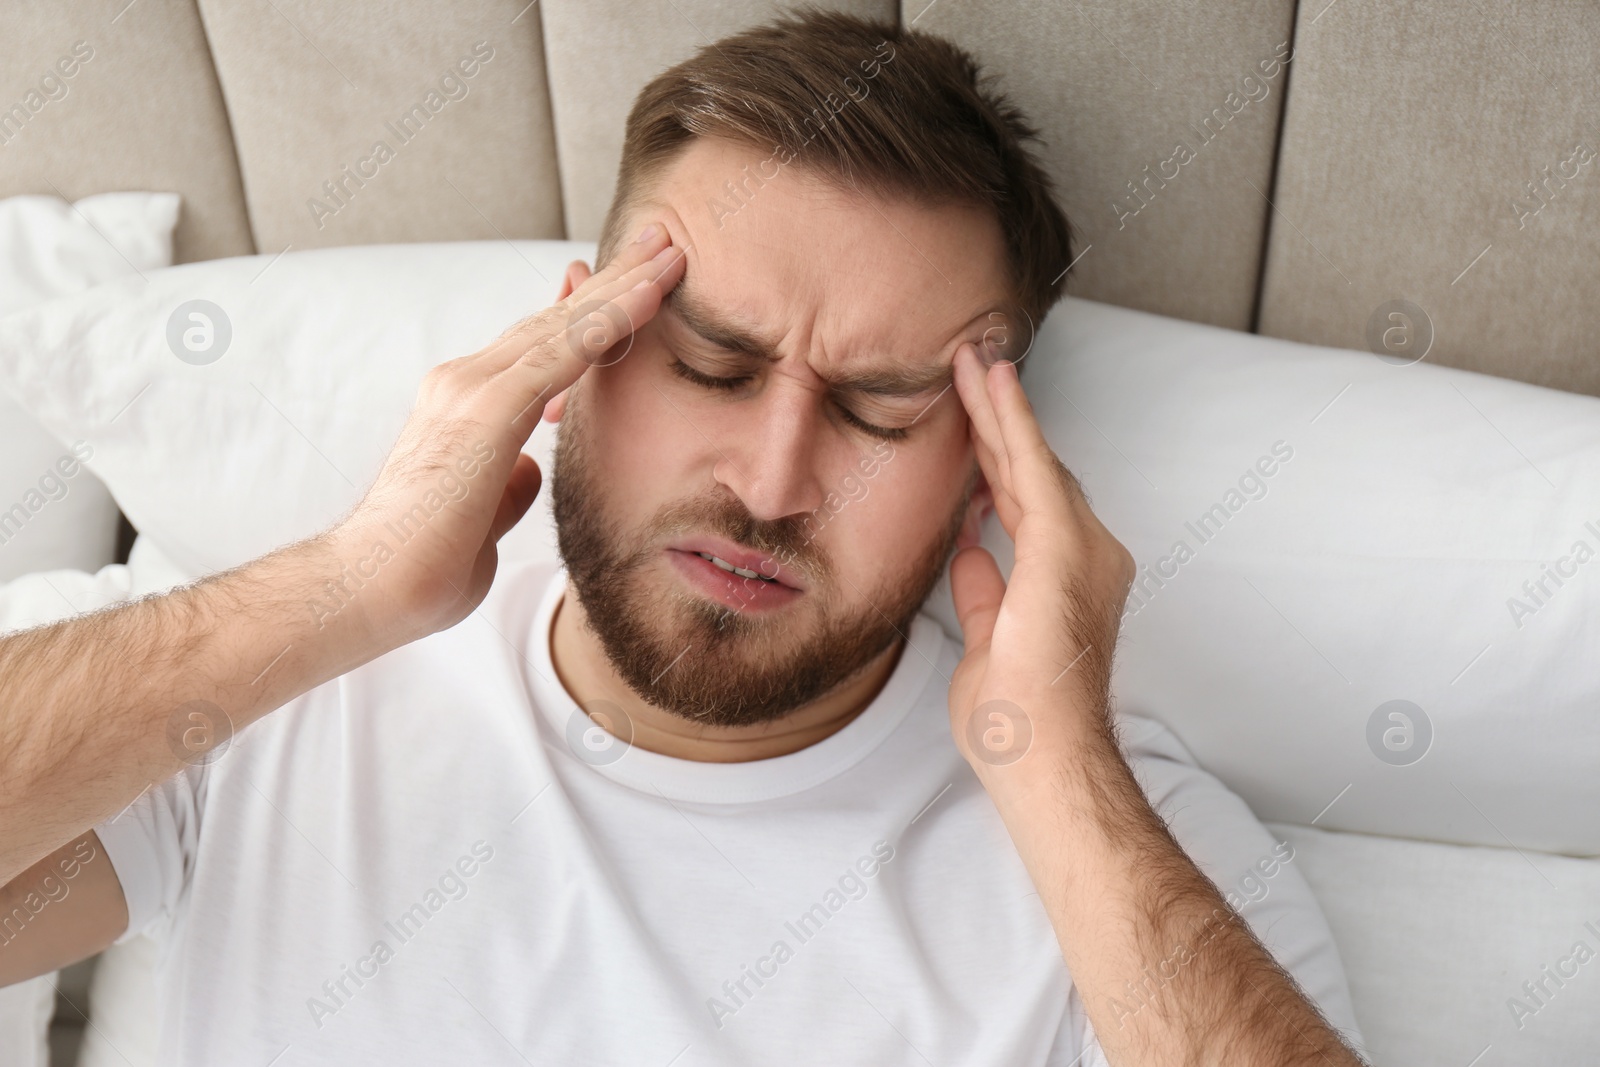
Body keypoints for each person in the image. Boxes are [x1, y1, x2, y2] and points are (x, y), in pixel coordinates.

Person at [0, 10, 1367, 1065]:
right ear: (573, 350)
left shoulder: (1137, 861)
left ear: (987, 477)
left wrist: (1062, 775)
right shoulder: (260, 690)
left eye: (883, 411)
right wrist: (344, 590)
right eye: (710, 365)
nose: (773, 483)